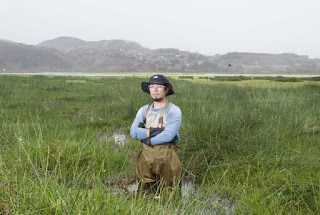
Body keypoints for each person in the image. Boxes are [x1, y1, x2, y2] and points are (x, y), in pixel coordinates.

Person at [130, 74, 182, 191]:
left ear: (166, 89)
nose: (155, 90)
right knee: (145, 192)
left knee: (170, 193)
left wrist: (146, 138)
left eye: (159, 86)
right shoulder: (143, 110)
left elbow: (169, 135)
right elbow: (133, 132)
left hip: (167, 157)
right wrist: (154, 132)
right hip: (145, 157)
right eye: (152, 87)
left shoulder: (174, 110)